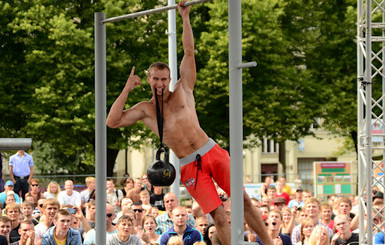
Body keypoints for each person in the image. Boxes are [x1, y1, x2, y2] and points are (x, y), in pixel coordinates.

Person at [106, 0, 273, 243]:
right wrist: (127, 89)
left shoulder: (183, 90)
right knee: (218, 214)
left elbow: (189, 52)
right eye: (155, 79)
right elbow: (112, 121)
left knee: (243, 200)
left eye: (164, 79)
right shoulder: (146, 110)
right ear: (149, 79)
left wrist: (185, 17)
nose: (160, 84)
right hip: (188, 166)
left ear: (170, 78)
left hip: (211, 152)